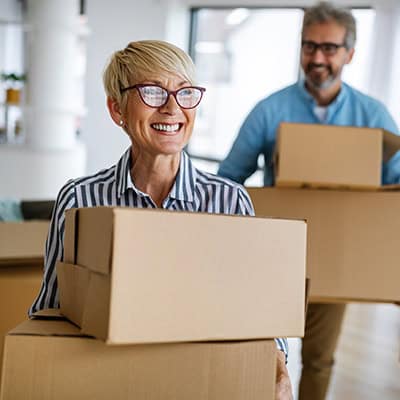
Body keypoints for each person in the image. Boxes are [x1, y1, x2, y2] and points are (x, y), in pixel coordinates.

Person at [29, 40, 293, 399]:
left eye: (185, 93)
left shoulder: (229, 201)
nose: (172, 108)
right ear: (115, 108)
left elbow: (260, 312)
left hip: (203, 384)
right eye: (153, 92)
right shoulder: (79, 200)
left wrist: (277, 367)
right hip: (107, 383)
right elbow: (50, 308)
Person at [218, 2, 400, 400]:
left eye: (329, 48)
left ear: (349, 53)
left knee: (319, 359)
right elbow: (228, 181)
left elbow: (396, 193)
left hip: (337, 259)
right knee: (260, 354)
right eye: (309, 46)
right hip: (275, 258)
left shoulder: (373, 116)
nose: (317, 58)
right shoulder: (270, 110)